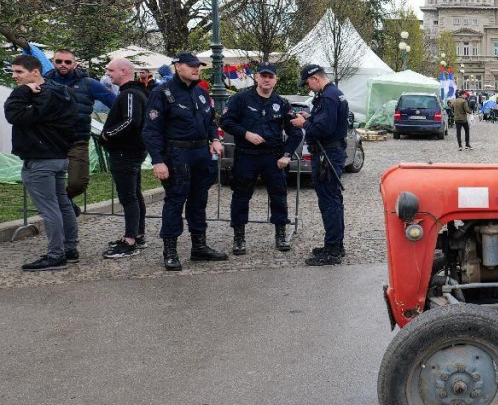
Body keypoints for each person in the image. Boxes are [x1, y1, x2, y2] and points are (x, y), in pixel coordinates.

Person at [142, 53, 228, 271]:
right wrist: (158, 161)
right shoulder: (162, 93)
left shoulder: (201, 91)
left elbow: (209, 120)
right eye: (191, 65)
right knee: (175, 201)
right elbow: (151, 131)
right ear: (177, 67)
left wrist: (215, 139)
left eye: (197, 65)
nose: (196, 69)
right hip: (176, 153)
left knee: (199, 201)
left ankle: (199, 246)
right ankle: (170, 250)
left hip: (200, 153)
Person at [5, 55, 80, 271]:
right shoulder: (61, 92)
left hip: (41, 160)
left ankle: (57, 255)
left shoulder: (38, 94)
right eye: (13, 72)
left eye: (19, 72)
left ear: (35, 72)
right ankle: (69, 249)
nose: (14, 76)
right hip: (58, 157)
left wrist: (23, 92)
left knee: (51, 209)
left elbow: (14, 114)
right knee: (63, 204)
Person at [221, 64, 302, 255]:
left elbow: (295, 133)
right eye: (263, 76)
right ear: (256, 78)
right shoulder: (240, 99)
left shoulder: (282, 103)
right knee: (241, 196)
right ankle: (239, 237)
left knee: (279, 196)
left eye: (270, 77)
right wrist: (246, 134)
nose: (267, 80)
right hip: (246, 155)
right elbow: (225, 122)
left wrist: (287, 155)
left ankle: (280, 234)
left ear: (275, 80)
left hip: (273, 157)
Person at [290, 65, 349, 266]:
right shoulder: (333, 94)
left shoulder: (328, 97)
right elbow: (327, 121)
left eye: (307, 83)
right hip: (332, 151)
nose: (308, 87)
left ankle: (332, 249)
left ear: (315, 79)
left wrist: (303, 124)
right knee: (333, 200)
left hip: (327, 154)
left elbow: (323, 129)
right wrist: (311, 117)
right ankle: (335, 245)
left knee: (329, 201)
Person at [44, 49, 116, 211]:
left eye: (67, 62)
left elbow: (116, 103)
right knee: (47, 183)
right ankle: (64, 209)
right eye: (59, 61)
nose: (63, 65)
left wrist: (111, 128)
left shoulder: (89, 83)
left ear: (75, 64)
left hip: (77, 141)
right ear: (53, 62)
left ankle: (64, 202)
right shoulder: (44, 82)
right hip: (51, 142)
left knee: (78, 183)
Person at [99, 58, 149, 258]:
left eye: (110, 70)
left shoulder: (130, 93)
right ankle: (137, 235)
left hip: (125, 152)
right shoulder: (136, 92)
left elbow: (131, 120)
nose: (108, 73)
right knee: (134, 194)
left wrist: (107, 134)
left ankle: (130, 240)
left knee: (129, 196)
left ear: (124, 71)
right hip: (131, 150)